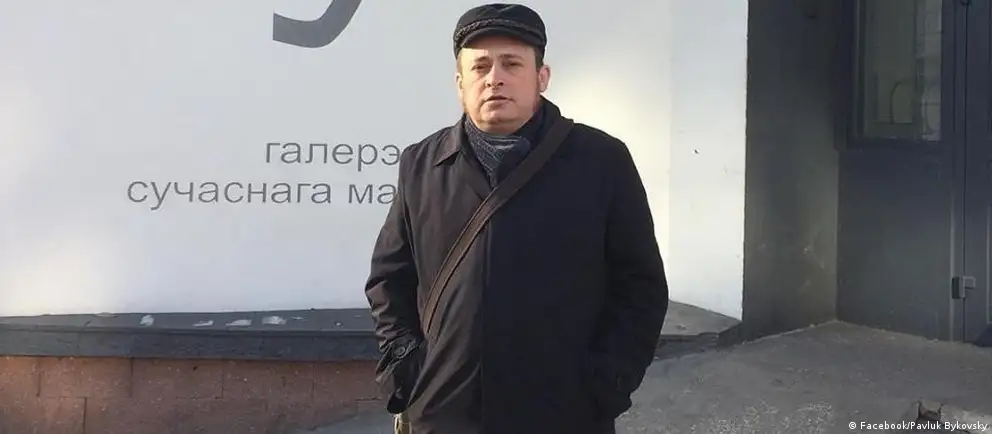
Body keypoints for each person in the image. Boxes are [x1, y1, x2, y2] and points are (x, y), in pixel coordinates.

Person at [364, 4, 669, 434]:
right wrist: (406, 370)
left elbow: (640, 286)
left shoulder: (601, 162)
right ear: (460, 83)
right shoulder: (422, 165)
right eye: (480, 66)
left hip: (565, 414)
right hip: (445, 413)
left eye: (511, 64)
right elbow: (389, 280)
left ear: (542, 77)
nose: (495, 78)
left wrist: (607, 383)